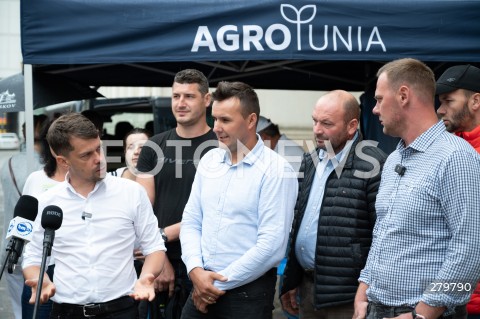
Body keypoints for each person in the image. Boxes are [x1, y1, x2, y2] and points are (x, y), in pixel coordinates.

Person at [354, 58, 480, 319]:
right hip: (377, 308)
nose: (375, 109)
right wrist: (363, 290)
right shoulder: (393, 160)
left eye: (378, 99)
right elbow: (383, 233)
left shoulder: (457, 157)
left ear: (403, 96)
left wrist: (424, 313)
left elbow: (472, 248)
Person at [22, 113, 167, 319]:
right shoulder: (47, 202)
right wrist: (40, 279)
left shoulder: (132, 192)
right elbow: (33, 256)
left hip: (123, 309)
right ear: (63, 161)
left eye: (99, 148)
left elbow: (154, 246)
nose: (99, 158)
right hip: (66, 312)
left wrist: (147, 278)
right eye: (86, 155)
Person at [179, 81, 298, 319]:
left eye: (225, 120)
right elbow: (191, 220)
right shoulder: (209, 161)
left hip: (246, 295)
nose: (216, 127)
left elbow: (271, 246)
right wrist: (195, 270)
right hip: (202, 283)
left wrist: (213, 286)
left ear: (251, 120)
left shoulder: (276, 170)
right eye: (215, 119)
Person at [279, 90, 387, 319]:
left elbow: (383, 235)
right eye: (315, 121)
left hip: (349, 297)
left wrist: (366, 291)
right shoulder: (310, 160)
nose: (317, 130)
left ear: (352, 126)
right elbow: (298, 222)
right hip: (308, 289)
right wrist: (291, 279)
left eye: (326, 123)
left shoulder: (373, 164)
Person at [136, 69, 218, 318]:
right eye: (176, 96)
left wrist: (159, 241)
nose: (180, 103)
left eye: (189, 97)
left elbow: (215, 210)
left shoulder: (221, 146)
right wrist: (158, 259)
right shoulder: (154, 146)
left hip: (208, 259)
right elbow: (140, 208)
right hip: (162, 256)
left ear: (207, 100)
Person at [436, 64, 480, 319]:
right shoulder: (448, 148)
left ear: (475, 101)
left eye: (448, 101)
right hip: (448, 299)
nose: (440, 109)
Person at [20, 118, 69, 319]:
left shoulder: (89, 184)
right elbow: (24, 221)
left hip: (71, 274)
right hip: (38, 270)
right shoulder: (36, 179)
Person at [0, 115, 46, 319]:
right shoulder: (47, 168)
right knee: (38, 306)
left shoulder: (7, 162)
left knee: (18, 309)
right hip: (38, 247)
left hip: (11, 243)